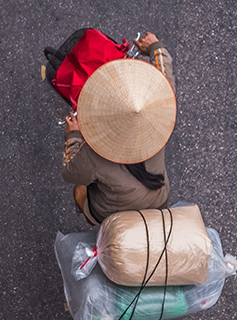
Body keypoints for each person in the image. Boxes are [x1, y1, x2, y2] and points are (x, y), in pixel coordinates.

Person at [62, 32, 176, 226]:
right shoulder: (160, 109)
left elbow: (70, 172)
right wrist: (156, 48)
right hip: (159, 202)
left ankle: (93, 221)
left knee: (80, 189)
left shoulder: (93, 154)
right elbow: (165, 79)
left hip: (113, 217)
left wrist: (73, 136)